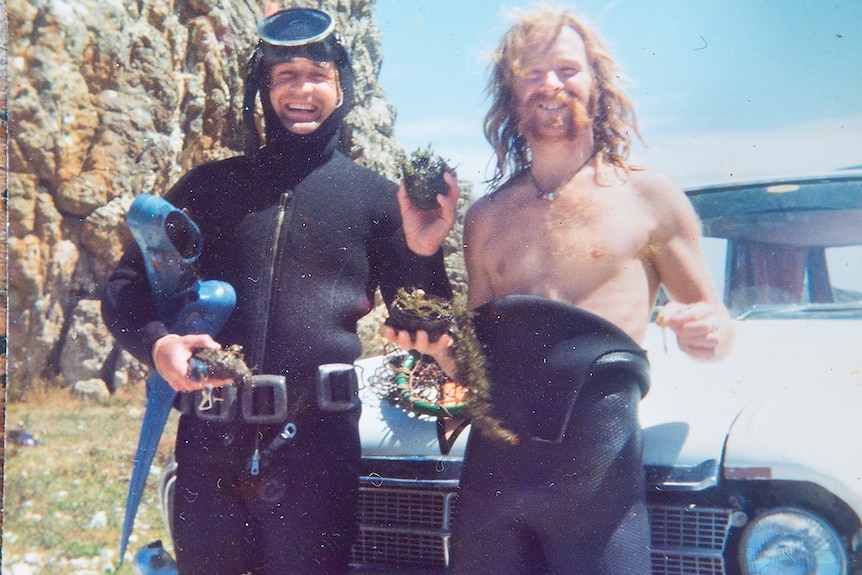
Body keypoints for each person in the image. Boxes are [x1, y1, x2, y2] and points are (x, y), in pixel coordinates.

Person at [102, 6, 457, 575]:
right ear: (263, 89)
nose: (302, 90)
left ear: (341, 87)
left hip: (318, 449)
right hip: (210, 443)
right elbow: (124, 290)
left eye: (316, 75)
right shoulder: (209, 187)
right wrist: (157, 346)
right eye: (285, 75)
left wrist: (423, 250)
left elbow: (425, 323)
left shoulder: (377, 199)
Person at [385, 5, 734, 575]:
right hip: (492, 488)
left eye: (568, 69)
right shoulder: (486, 218)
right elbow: (474, 370)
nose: (550, 84)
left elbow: (716, 334)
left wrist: (707, 332)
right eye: (532, 72)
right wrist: (440, 354)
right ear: (510, 90)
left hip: (599, 489)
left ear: (596, 82)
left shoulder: (650, 198)